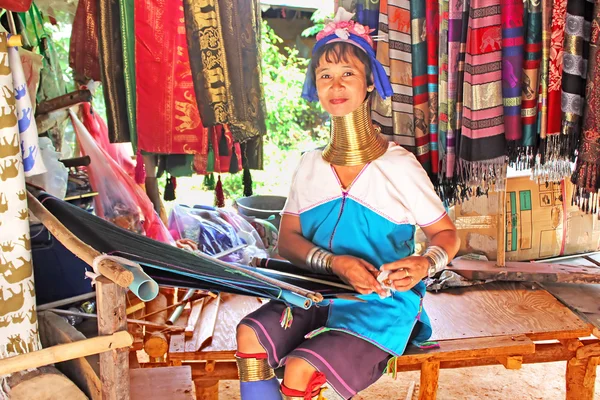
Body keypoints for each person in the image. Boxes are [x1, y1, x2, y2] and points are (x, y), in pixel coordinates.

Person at [235, 8, 460, 400]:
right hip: (313, 290)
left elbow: (446, 234)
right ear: (315, 86)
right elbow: (287, 241)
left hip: (379, 302)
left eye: (348, 74)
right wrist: (335, 263)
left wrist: (425, 263)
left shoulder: (398, 165)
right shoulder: (310, 165)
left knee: (301, 367)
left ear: (370, 82)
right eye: (325, 76)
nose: (335, 85)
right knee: (249, 333)